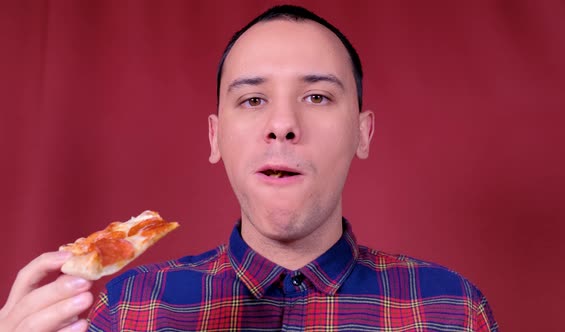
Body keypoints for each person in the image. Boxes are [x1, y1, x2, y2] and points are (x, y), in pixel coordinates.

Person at [0, 5, 499, 331]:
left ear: (362, 133)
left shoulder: (453, 309)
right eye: (254, 99)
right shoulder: (129, 309)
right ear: (216, 138)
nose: (282, 124)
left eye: (318, 96)